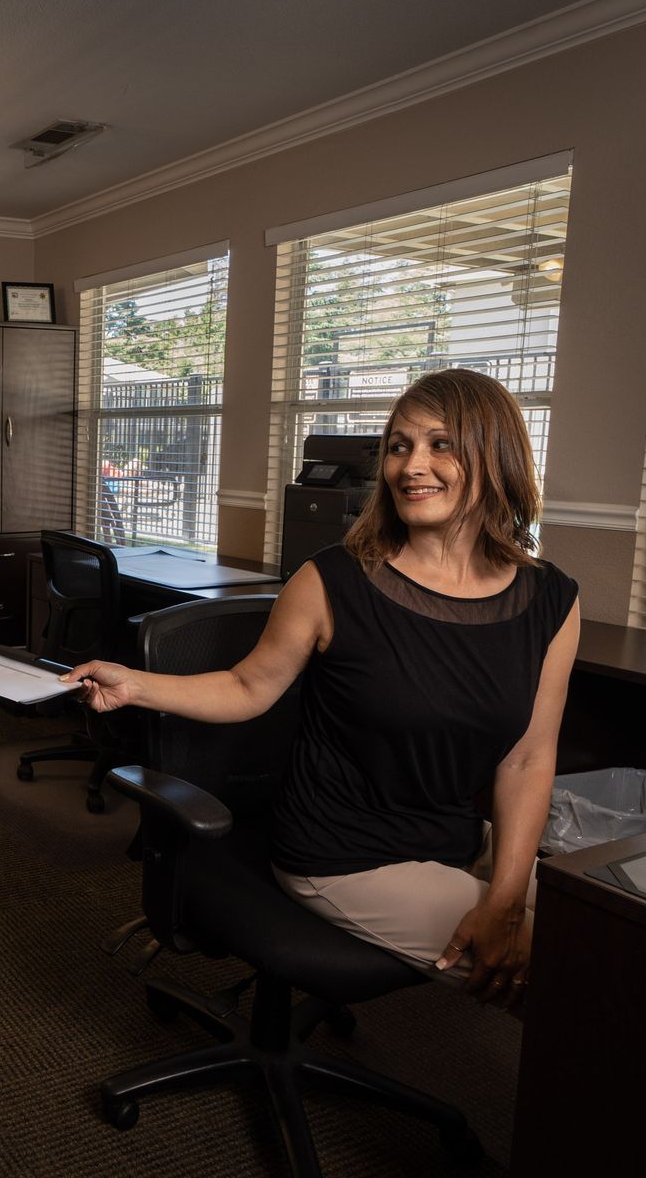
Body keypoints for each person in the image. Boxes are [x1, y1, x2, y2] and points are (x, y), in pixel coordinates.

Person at [64, 369, 579, 1007]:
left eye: (441, 444)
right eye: (399, 446)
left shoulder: (551, 598)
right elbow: (247, 686)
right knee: (571, 982)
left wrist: (505, 894)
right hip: (344, 853)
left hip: (455, 837)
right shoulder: (333, 580)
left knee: (635, 933)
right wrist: (134, 685)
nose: (412, 466)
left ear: (495, 455)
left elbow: (528, 757)